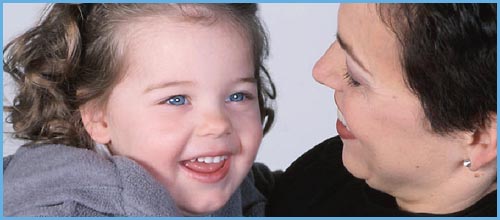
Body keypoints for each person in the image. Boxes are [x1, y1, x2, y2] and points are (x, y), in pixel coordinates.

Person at [3, 3, 276, 216]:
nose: (217, 124)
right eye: (176, 99)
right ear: (98, 116)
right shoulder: (53, 210)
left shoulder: (263, 193)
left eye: (238, 96)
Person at [263, 3, 496, 216]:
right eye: (339, 41)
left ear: (480, 140)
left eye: (355, 76)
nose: (321, 71)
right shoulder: (329, 173)